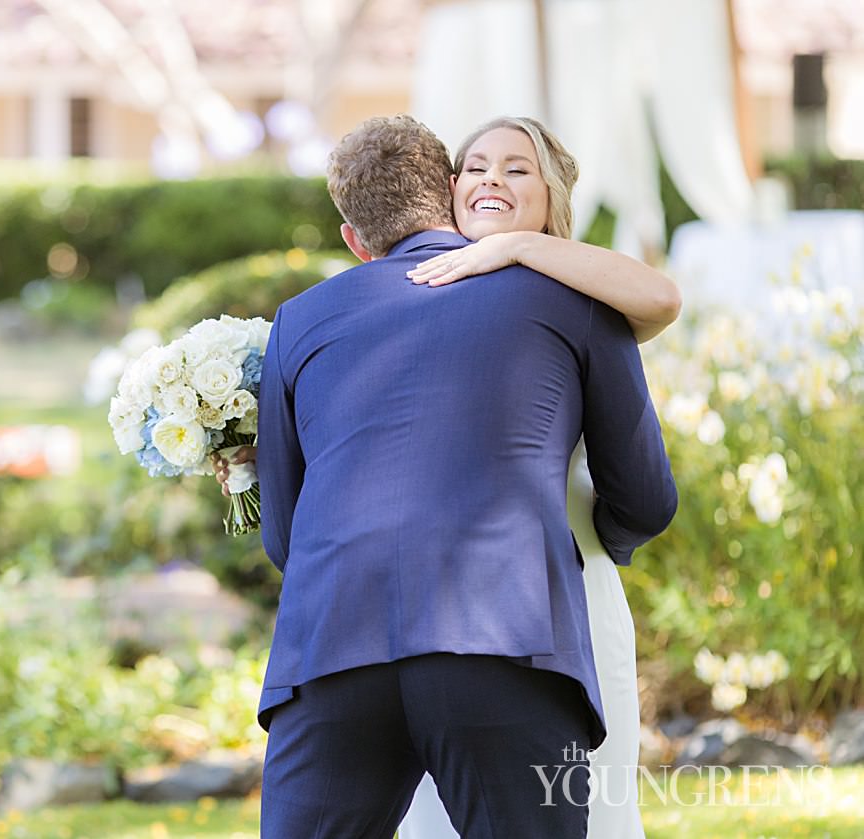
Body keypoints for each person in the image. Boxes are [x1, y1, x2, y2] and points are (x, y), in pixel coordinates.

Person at [218, 115, 679, 839]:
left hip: (333, 646)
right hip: (506, 639)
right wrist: (592, 535)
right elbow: (648, 499)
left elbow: (285, 535)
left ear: (353, 239)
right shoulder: (575, 300)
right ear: (450, 192)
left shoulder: (297, 322)